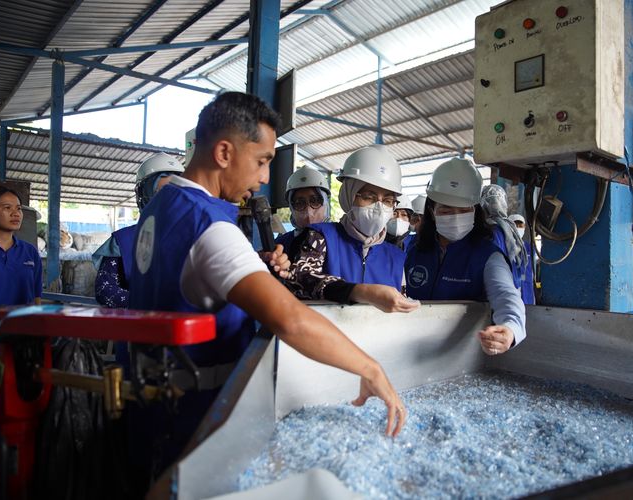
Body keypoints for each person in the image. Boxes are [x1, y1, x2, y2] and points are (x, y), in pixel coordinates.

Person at [128, 92, 406, 481]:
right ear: (224, 152)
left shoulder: (163, 205)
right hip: (198, 408)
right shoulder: (210, 227)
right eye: (261, 161)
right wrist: (370, 368)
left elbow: (183, 278)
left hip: (154, 398)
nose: (262, 178)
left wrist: (249, 267)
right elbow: (291, 319)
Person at [405, 158, 526, 355]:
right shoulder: (414, 248)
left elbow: (506, 295)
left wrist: (510, 328)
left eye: (463, 211)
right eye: (445, 209)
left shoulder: (487, 255)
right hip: (410, 346)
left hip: (460, 354)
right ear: (431, 211)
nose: (455, 216)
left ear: (475, 211)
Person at [285, 145, 420, 314]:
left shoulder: (395, 257)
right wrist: (360, 292)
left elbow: (400, 302)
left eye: (387, 200)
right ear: (348, 196)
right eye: (368, 197)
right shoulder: (321, 237)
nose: (378, 207)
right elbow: (301, 278)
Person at [92, 153, 184, 308]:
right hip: (137, 326)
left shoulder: (191, 235)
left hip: (180, 327)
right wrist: (149, 304)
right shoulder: (123, 241)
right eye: (160, 192)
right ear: (144, 195)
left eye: (174, 193)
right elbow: (105, 290)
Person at [0, 186, 42, 307]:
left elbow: (37, 296)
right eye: (7, 208)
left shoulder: (30, 252)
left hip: (22, 324)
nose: (16, 214)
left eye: (19, 208)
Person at [480, 184, 534, 305]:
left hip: (495, 289)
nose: (495, 205)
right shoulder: (510, 229)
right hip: (510, 287)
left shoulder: (488, 231)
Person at [275, 166, 330, 260]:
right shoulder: (280, 245)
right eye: (299, 203)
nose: (309, 211)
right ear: (291, 208)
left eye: (315, 201)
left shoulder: (339, 240)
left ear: (325, 203)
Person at [508, 213, 536, 305]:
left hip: (527, 290)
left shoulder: (530, 248)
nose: (518, 228)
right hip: (510, 288)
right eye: (515, 225)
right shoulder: (504, 247)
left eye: (521, 225)